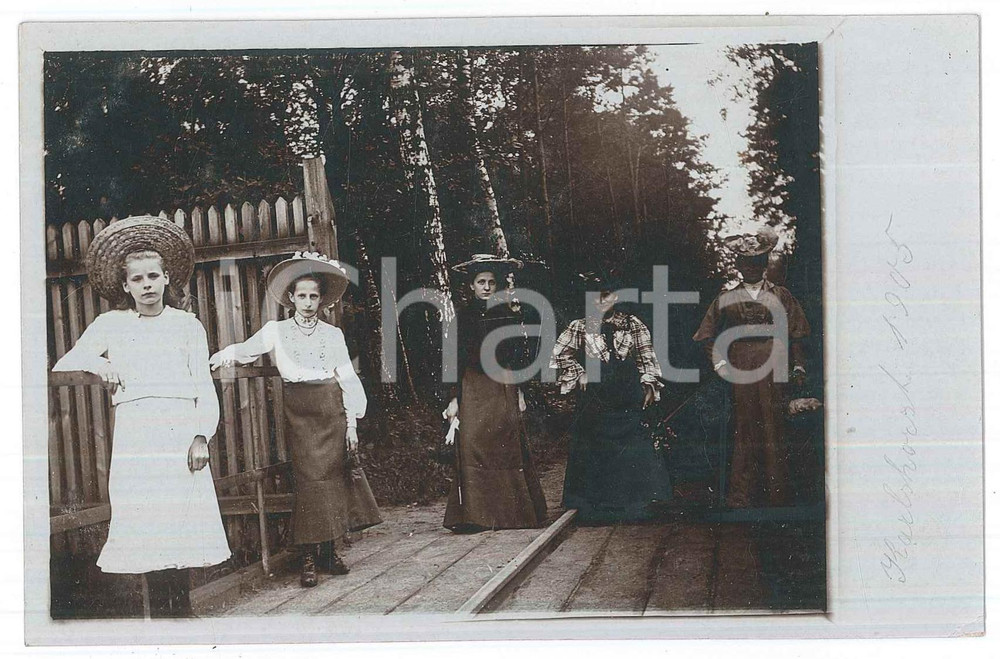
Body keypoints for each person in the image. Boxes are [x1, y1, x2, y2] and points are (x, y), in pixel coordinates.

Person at [51, 215, 231, 618]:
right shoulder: (111, 324)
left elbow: (203, 384)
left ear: (168, 279)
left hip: (181, 431)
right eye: (137, 279)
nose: (147, 285)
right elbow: (69, 359)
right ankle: (159, 614)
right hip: (138, 433)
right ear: (125, 285)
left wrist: (202, 435)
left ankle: (181, 611)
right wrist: (101, 365)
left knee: (181, 514)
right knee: (148, 514)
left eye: (154, 276)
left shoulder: (187, 325)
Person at [209, 251, 381, 587]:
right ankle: (307, 555)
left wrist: (352, 423)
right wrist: (223, 356)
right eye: (301, 295)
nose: (307, 302)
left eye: (313, 296)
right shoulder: (276, 330)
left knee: (330, 479)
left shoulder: (333, 335)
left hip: (329, 409)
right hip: (299, 410)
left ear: (322, 299)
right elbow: (247, 349)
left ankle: (329, 552)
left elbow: (346, 377)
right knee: (307, 481)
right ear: (290, 298)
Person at [693, 225, 811, 508]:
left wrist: (799, 367)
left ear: (765, 264)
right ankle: (741, 495)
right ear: (739, 265)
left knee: (774, 426)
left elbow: (796, 333)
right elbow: (706, 335)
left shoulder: (781, 295)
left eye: (757, 262)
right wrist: (719, 362)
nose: (752, 268)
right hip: (741, 369)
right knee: (744, 427)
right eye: (746, 263)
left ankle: (777, 494)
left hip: (775, 367)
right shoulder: (727, 297)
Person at [550, 272, 673, 524]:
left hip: (627, 397)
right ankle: (595, 507)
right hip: (595, 401)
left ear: (615, 297)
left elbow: (646, 356)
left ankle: (635, 504)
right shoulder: (580, 326)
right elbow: (559, 354)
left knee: (633, 446)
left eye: (605, 296)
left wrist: (648, 385)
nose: (599, 302)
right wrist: (579, 372)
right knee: (593, 446)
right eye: (594, 297)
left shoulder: (632, 324)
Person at [441, 254, 548, 532]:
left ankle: (514, 514)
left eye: (490, 282)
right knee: (473, 443)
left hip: (503, 383)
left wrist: (520, 391)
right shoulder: (462, 318)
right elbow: (453, 359)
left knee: (505, 441)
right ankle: (475, 516)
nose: (486, 287)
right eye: (480, 282)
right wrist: (453, 398)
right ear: (471, 286)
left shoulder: (509, 314)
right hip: (473, 386)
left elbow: (517, 358)